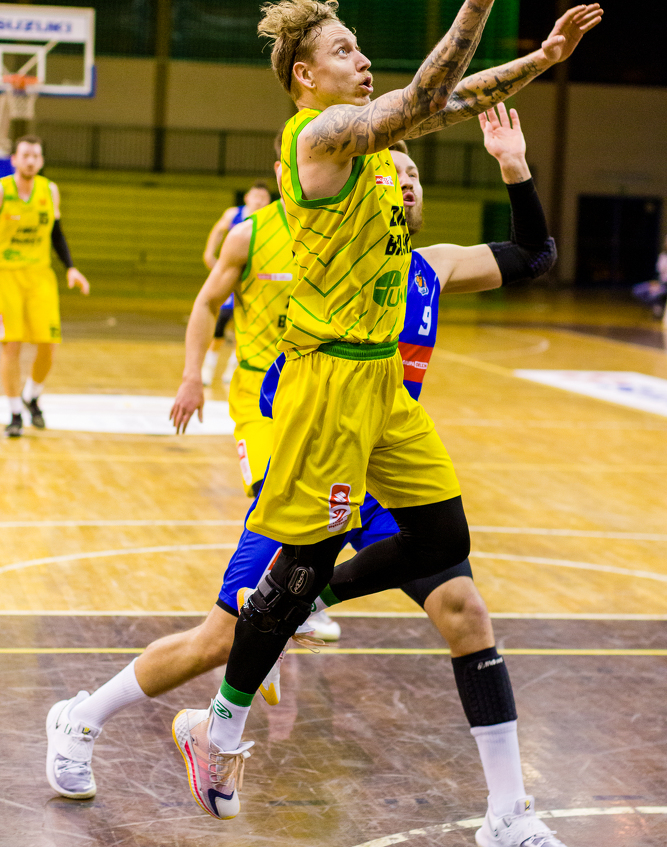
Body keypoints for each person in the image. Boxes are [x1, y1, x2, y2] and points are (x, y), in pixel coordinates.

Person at [45, 106, 566, 846]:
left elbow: (534, 255)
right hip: (315, 459)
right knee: (220, 638)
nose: (405, 182)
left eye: (414, 175)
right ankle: (82, 717)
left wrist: (512, 164)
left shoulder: (434, 266)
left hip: (386, 469)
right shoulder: (323, 258)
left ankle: (507, 813)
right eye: (392, 173)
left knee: (464, 610)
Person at [1, 134, 89, 438]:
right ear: (14, 159)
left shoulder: (49, 190)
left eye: (36, 156)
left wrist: (71, 267)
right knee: (11, 345)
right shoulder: (2, 190)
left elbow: (56, 233)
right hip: (6, 276)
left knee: (48, 345)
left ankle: (32, 396)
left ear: (41, 161)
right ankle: (14, 413)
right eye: (25, 155)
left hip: (40, 276)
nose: (30, 161)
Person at [200, 182, 272, 386]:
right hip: (232, 274)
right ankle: (208, 367)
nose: (259, 200)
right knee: (222, 320)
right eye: (256, 196)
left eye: (263, 197)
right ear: (247, 197)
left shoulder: (270, 217)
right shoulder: (233, 214)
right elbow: (218, 231)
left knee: (247, 324)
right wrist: (209, 253)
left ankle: (233, 368)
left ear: (268, 201)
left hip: (255, 276)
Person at [631, 235, 667, 320]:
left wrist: (660, 285)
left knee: (654, 295)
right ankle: (657, 306)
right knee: (637, 290)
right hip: (660, 283)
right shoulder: (662, 256)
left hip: (664, 286)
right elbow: (658, 273)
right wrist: (654, 282)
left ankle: (659, 308)